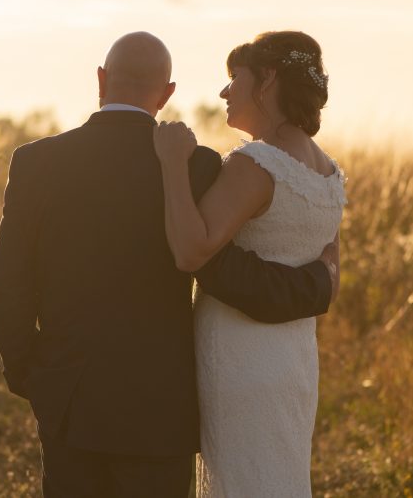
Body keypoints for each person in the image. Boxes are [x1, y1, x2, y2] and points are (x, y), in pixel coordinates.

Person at [0, 31, 340, 498]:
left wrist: (32, 377)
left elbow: (9, 288)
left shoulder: (36, 162)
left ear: (101, 80)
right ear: (167, 93)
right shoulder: (199, 166)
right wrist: (320, 283)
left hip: (67, 394)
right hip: (161, 406)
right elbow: (230, 271)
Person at [153, 30, 346, 498]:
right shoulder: (328, 171)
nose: (224, 91)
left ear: (267, 80)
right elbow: (330, 265)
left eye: (234, 77)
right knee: (277, 473)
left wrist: (172, 164)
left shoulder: (256, 163)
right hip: (293, 356)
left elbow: (190, 250)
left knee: (240, 479)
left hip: (239, 356)